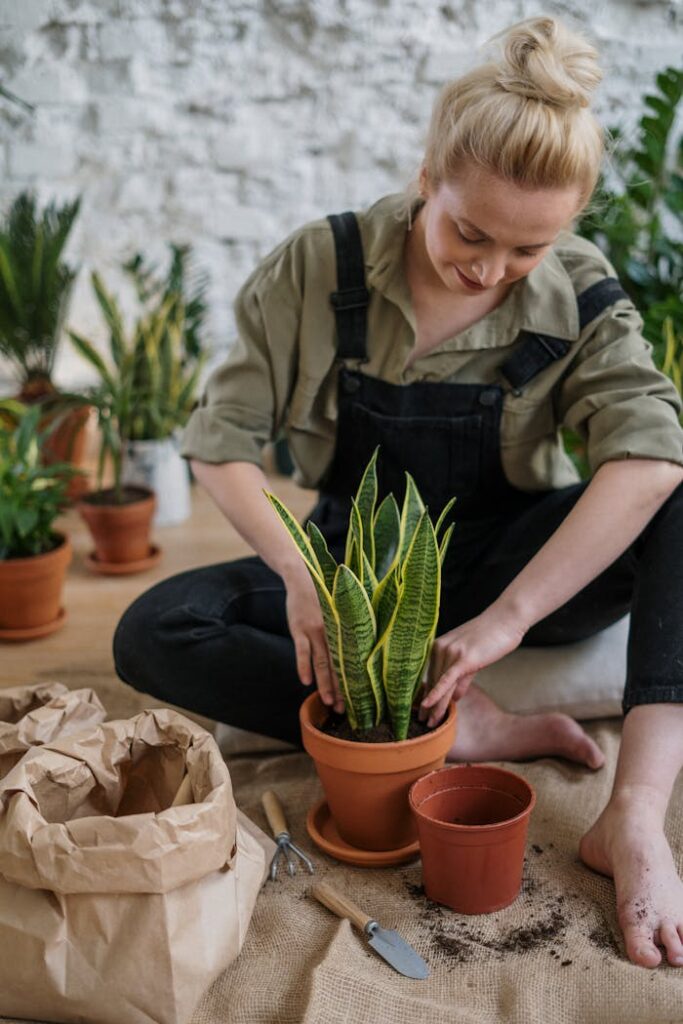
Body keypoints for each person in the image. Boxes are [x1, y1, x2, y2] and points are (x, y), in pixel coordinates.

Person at [113, 16, 683, 969]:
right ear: (428, 175)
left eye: (526, 250)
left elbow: (653, 458)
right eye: (470, 231)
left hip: (510, 574)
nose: (488, 269)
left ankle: (629, 818)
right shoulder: (319, 266)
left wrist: (505, 623)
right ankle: (461, 728)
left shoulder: (580, 292)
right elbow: (218, 445)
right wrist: (301, 579)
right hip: (350, 583)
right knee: (151, 632)